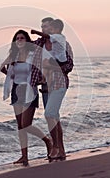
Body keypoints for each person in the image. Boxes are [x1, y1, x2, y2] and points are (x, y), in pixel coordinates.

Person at [0, 30, 52, 166]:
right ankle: (24, 157)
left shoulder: (33, 54)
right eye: (17, 38)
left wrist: (42, 79)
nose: (20, 40)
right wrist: (11, 75)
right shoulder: (14, 55)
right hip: (17, 91)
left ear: (27, 40)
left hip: (30, 91)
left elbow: (43, 68)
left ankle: (47, 140)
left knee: (26, 124)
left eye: (22, 38)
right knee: (20, 127)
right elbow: (2, 68)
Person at [31, 19, 74, 162]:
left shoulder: (63, 44)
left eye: (46, 26)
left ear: (54, 28)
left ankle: (55, 147)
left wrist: (51, 67)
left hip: (59, 82)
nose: (43, 28)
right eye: (41, 26)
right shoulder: (39, 44)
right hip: (45, 85)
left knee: (49, 113)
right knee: (53, 117)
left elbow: (69, 66)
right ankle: (60, 149)